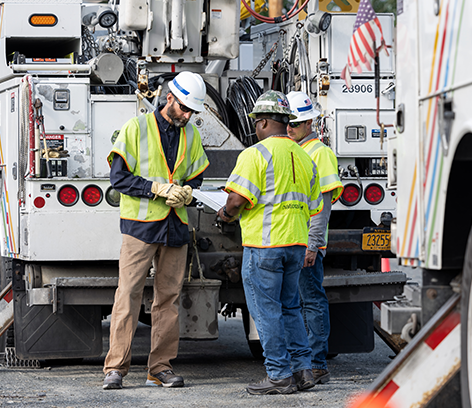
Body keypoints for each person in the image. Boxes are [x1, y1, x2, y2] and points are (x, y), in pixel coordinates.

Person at [102, 72, 210, 390]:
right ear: (169, 98)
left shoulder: (191, 134)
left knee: (169, 300)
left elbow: (197, 176)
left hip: (175, 226)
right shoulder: (136, 128)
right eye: (184, 109)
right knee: (128, 295)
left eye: (193, 111)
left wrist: (188, 191)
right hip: (140, 227)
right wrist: (156, 189)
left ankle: (160, 368)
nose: (187, 116)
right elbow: (118, 178)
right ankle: (115, 368)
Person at [217, 90, 323, 395]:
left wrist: (225, 215)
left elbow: (237, 200)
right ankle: (303, 371)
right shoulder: (305, 157)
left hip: (264, 246)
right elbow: (315, 205)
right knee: (290, 308)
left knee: (267, 312)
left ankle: (278, 374)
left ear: (262, 122)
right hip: (296, 245)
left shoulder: (255, 155)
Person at [285, 91, 341, 385]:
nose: (289, 128)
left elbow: (322, 206)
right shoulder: (295, 150)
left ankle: (317, 363)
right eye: (287, 122)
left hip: (307, 243)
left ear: (309, 123)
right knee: (300, 303)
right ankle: (306, 362)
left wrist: (313, 244)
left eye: (294, 123)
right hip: (292, 240)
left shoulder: (320, 153)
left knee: (311, 302)